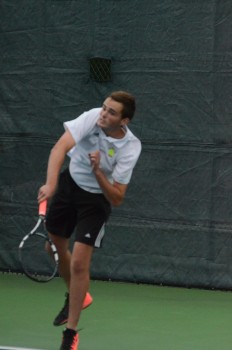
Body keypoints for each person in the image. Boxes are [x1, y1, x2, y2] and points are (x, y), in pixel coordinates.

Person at [38, 91, 142, 350]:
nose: (104, 114)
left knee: (80, 264)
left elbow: (117, 197)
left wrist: (97, 172)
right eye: (104, 108)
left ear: (124, 121)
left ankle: (70, 333)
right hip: (68, 186)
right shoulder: (92, 117)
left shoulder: (130, 147)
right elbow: (60, 147)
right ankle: (78, 295)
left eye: (111, 112)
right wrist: (51, 184)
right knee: (52, 248)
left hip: (95, 201)